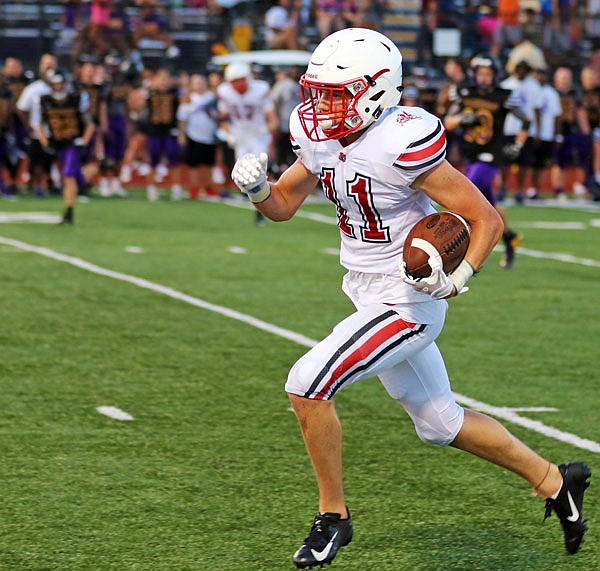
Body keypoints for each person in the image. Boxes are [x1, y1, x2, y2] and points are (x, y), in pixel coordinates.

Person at [230, 28, 591, 569]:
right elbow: (282, 205)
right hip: (365, 291)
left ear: (377, 91)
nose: (321, 106)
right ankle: (555, 481)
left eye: (336, 94)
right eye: (319, 93)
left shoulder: (401, 139)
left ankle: (334, 516)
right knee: (440, 423)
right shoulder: (320, 133)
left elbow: (485, 218)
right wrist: (258, 189)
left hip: (408, 300)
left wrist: (458, 274)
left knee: (307, 384)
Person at [444, 54, 525, 269]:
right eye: (481, 73)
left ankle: (456, 247)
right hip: (470, 153)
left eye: (488, 74)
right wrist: (462, 118)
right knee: (490, 204)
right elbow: (448, 123)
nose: (484, 78)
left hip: (491, 155)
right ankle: (509, 237)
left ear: (494, 76)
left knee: (466, 192)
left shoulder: (504, 96)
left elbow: (526, 120)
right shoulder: (464, 92)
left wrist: (518, 144)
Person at [217, 61, 278, 225]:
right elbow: (223, 118)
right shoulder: (225, 92)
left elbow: (273, 120)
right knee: (243, 176)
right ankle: (259, 205)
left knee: (259, 171)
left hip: (258, 134)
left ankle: (262, 211)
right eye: (234, 81)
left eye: (240, 80)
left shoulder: (261, 90)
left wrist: (266, 131)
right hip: (240, 135)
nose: (237, 85)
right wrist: (228, 133)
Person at [30, 70, 95, 224]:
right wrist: (44, 141)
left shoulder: (76, 99)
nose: (58, 87)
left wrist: (83, 141)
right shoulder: (43, 100)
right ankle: (86, 179)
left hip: (72, 143)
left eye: (60, 83)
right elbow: (37, 123)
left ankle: (69, 213)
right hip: (56, 143)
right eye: (55, 84)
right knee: (71, 177)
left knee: (68, 175)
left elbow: (89, 125)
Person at [177, 73, 219, 199]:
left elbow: (218, 115)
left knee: (208, 164)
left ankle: (208, 186)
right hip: (193, 134)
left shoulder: (212, 98)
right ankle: (194, 187)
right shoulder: (188, 99)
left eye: (201, 81)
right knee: (193, 164)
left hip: (210, 135)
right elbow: (182, 118)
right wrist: (182, 135)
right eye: (196, 82)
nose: (199, 85)